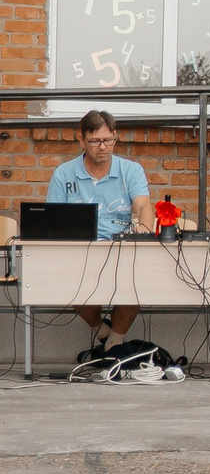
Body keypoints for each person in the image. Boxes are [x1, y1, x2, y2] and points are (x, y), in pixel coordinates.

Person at [47, 109, 149, 347]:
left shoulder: (131, 170)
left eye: (107, 140)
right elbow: (52, 219)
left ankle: (113, 342)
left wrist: (143, 230)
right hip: (79, 252)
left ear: (115, 137)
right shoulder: (63, 174)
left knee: (137, 278)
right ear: (81, 139)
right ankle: (101, 331)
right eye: (94, 141)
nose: (102, 147)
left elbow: (144, 206)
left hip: (122, 249)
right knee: (73, 284)